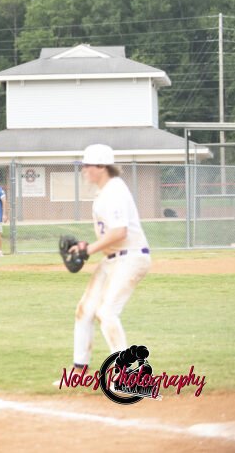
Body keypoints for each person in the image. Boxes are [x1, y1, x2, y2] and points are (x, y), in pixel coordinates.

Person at [67, 144, 151, 377]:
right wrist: (85, 247)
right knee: (85, 310)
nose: (84, 170)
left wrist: (90, 250)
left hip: (131, 257)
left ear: (102, 166)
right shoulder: (104, 192)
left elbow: (120, 232)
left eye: (87, 166)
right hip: (113, 259)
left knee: (107, 312)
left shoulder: (115, 190)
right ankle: (78, 372)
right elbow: (110, 235)